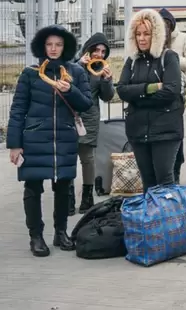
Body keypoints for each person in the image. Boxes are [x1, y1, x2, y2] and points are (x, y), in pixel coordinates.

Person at [7, 25, 92, 256]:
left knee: (63, 187)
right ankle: (36, 236)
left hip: (64, 138)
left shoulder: (76, 72)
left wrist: (71, 90)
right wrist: (15, 144)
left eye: (58, 44)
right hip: (34, 138)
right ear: (42, 46)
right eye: (49, 44)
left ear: (65, 47)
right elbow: (17, 110)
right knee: (33, 187)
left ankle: (60, 232)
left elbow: (86, 104)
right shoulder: (31, 74)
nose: (53, 49)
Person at [116, 9, 185, 191]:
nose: (142, 38)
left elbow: (171, 92)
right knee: (147, 182)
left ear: (156, 35)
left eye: (146, 33)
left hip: (165, 131)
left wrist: (137, 98)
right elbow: (122, 90)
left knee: (165, 180)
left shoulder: (168, 57)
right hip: (138, 131)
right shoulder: (132, 61)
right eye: (138, 34)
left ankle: (168, 218)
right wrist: (150, 88)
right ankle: (151, 219)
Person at [71, 32, 115, 214]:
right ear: (88, 49)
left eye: (103, 51)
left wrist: (107, 81)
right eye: (96, 49)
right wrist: (77, 66)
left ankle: (87, 197)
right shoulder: (74, 64)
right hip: (70, 116)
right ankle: (67, 197)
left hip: (89, 118)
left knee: (87, 158)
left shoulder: (101, 69)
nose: (99, 54)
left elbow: (107, 97)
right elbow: (64, 84)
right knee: (68, 158)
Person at [158, 8, 186, 184]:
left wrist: (172, 59)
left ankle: (176, 172)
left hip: (177, 93)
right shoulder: (153, 40)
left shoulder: (183, 39)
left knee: (175, 134)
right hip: (157, 93)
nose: (163, 29)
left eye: (166, 25)